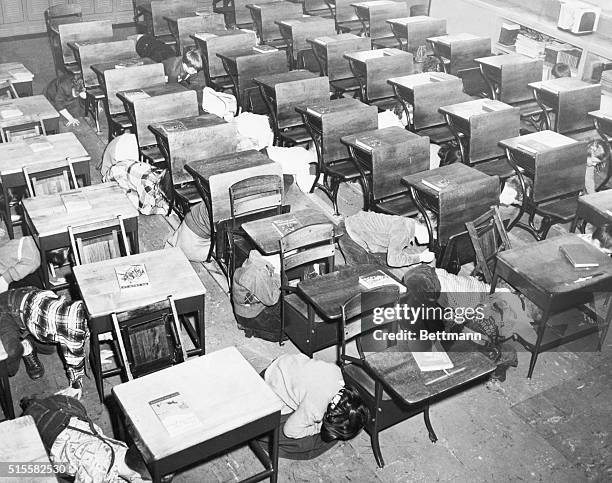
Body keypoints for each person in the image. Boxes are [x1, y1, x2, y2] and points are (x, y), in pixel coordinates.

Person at [262, 354, 369, 460]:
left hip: (285, 363)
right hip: (271, 385)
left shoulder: (338, 374)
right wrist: (316, 429)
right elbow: (289, 431)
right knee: (311, 443)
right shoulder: (315, 410)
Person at [21, 395, 150, 482]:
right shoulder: (94, 475)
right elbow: (98, 472)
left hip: (66, 409)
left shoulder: (123, 451)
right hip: (46, 431)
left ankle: (33, 404)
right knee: (41, 469)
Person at [0, 287, 88, 399]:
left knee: (50, 348)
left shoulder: (83, 307)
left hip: (29, 301)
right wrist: (76, 385)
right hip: (6, 310)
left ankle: (26, 340)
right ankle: (23, 346)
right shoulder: (73, 327)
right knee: (10, 359)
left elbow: (88, 334)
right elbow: (74, 359)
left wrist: (94, 355)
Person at [339, 210, 433, 270]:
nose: (433, 239)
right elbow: (393, 261)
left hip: (356, 228)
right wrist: (420, 258)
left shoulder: (410, 223)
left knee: (383, 264)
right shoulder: (403, 232)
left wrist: (413, 259)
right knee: (360, 273)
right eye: (433, 235)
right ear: (424, 228)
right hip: (350, 235)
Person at [232, 250, 282, 342]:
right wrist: (277, 275)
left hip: (247, 307)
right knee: (288, 329)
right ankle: (251, 327)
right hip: (251, 315)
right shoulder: (258, 272)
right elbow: (271, 300)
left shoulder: (254, 259)